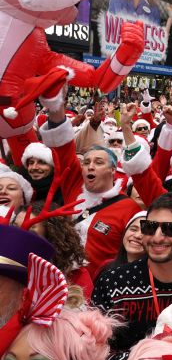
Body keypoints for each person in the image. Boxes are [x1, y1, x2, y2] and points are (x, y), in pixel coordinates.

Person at [91, 192, 172, 360]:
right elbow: (91, 354)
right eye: (149, 227)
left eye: (169, 229)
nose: (157, 237)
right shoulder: (114, 281)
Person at [39, 99, 141, 277]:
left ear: (112, 170)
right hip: (60, 284)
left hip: (100, 291)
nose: (90, 166)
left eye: (98, 162)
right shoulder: (74, 187)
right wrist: (56, 101)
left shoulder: (129, 208)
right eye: (86, 162)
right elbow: (63, 147)